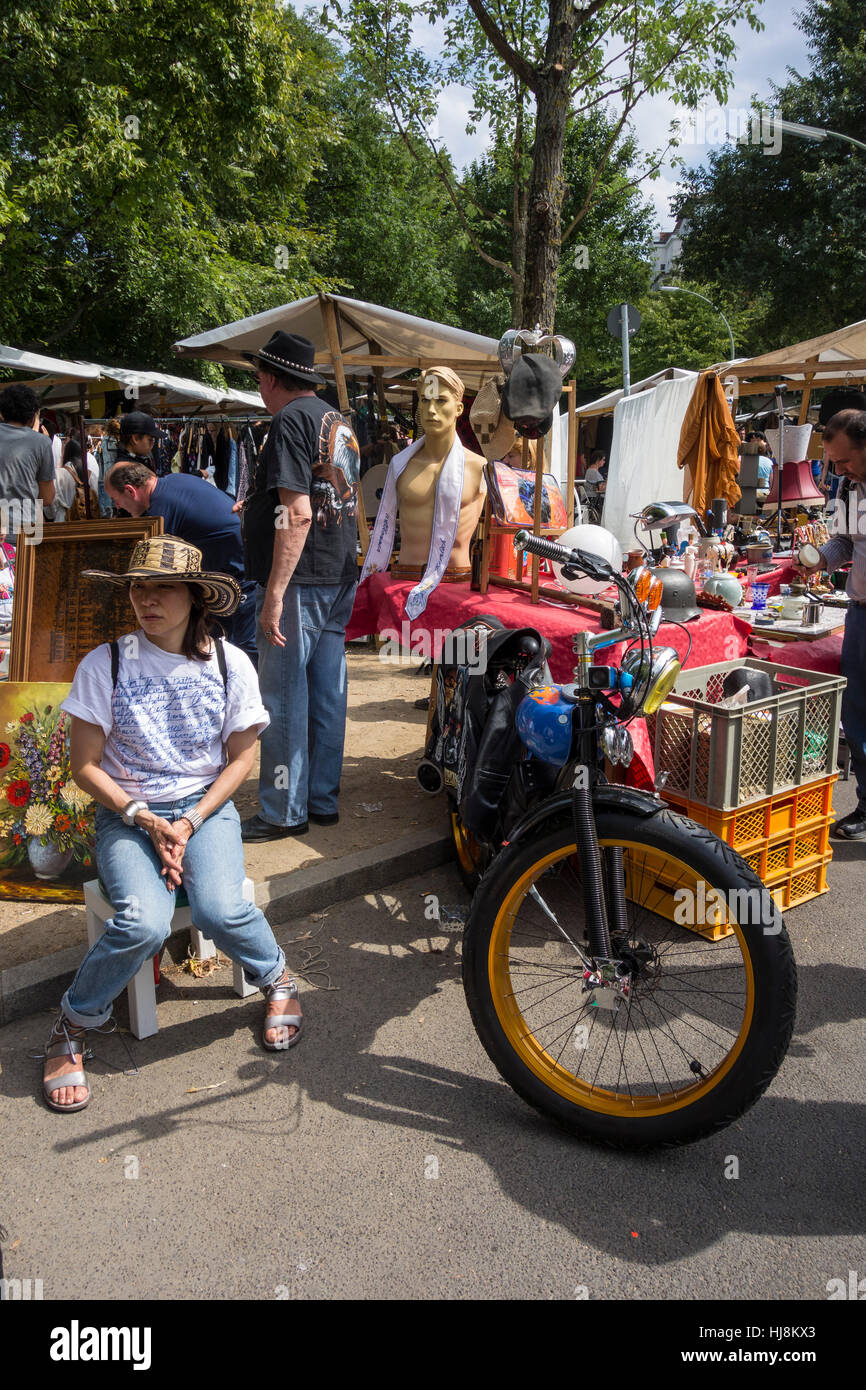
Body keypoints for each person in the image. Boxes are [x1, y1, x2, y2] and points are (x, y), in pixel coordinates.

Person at [40, 535, 304, 1113]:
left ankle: (277, 976)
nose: (146, 599)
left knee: (218, 908)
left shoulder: (231, 664)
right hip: (124, 813)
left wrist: (187, 820)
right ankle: (74, 1020)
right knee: (142, 923)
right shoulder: (104, 663)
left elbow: (241, 760)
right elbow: (82, 766)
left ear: (195, 596)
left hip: (203, 808)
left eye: (163, 587)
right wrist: (143, 817)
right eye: (138, 587)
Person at [238, 331, 360, 842]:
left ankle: (284, 811)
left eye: (258, 378)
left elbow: (299, 513)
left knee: (283, 694)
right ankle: (321, 801)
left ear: (270, 379)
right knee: (327, 691)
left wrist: (274, 593)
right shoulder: (337, 421)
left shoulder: (288, 420)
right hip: (337, 573)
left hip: (303, 578)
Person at [105, 460, 258, 663]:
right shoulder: (174, 480)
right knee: (217, 644)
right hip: (235, 570)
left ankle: (250, 692)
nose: (117, 506)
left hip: (240, 577)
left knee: (244, 651)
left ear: (130, 491)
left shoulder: (160, 513)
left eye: (116, 499)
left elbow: (158, 570)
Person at [800, 409, 866, 838]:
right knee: (858, 714)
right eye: (832, 462)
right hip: (860, 612)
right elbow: (846, 540)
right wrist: (821, 559)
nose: (837, 471)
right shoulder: (848, 487)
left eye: (844, 461)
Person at [0, 383, 55, 536]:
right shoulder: (41, 443)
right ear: (33, 417)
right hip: (27, 529)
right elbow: (47, 497)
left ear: (2, 414)